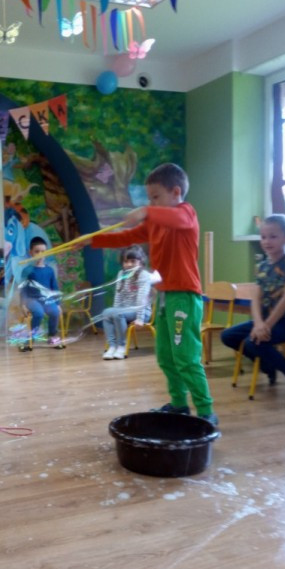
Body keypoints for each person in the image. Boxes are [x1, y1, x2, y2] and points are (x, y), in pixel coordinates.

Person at [89, 163, 218, 426]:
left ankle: (206, 411)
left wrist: (146, 211)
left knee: (186, 358)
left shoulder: (186, 212)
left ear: (176, 192)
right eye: (149, 199)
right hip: (165, 297)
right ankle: (179, 404)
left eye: (156, 197)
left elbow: (180, 220)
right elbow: (125, 238)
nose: (151, 203)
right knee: (166, 356)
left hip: (184, 297)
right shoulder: (155, 223)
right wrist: (92, 241)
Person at [220, 214, 285, 403]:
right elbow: (256, 298)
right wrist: (259, 324)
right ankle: (267, 364)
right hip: (266, 322)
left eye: (273, 236)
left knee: (254, 342)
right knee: (228, 336)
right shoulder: (261, 266)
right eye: (263, 237)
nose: (267, 241)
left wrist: (265, 326)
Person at [102, 245, 154, 360]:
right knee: (106, 313)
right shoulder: (122, 274)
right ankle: (112, 346)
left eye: (133, 261)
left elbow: (142, 298)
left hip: (142, 312)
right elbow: (118, 296)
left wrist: (140, 318)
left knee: (117, 314)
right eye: (126, 261)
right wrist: (114, 311)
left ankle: (121, 346)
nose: (129, 264)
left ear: (141, 262)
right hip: (125, 311)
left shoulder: (143, 275)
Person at [20, 236, 62, 346]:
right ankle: (32, 337)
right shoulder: (27, 270)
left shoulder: (49, 270)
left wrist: (57, 304)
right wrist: (23, 304)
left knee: (55, 312)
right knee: (39, 313)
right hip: (32, 299)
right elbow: (23, 288)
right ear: (30, 253)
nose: (40, 254)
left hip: (46, 299)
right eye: (37, 251)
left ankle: (52, 335)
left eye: (43, 251)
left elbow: (54, 287)